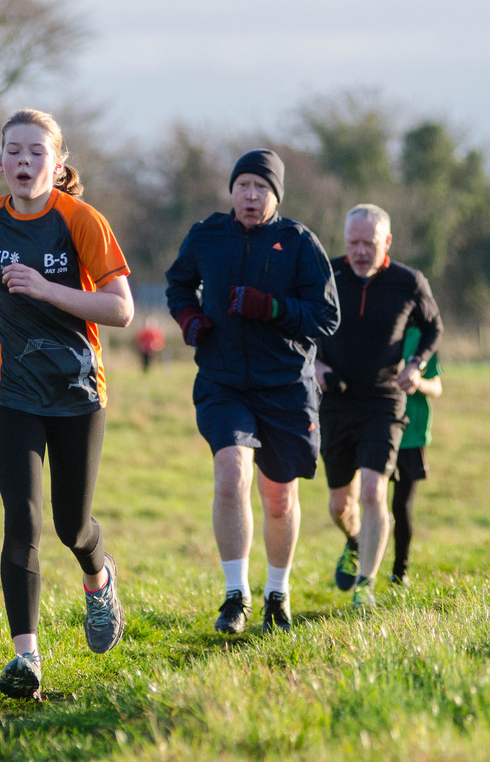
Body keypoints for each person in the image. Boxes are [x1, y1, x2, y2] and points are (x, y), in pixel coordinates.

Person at [0, 109, 134, 700]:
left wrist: (47, 288)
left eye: (37, 152)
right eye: (14, 150)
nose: (24, 161)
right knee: (21, 521)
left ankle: (99, 578)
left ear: (58, 164)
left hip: (79, 394)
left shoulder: (80, 220)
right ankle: (26, 659)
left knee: (70, 525)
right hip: (13, 395)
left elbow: (122, 309)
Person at [166, 149, 340, 634]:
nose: (250, 194)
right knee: (230, 474)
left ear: (275, 194)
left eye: (261, 187)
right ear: (231, 190)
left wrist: (273, 308)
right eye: (243, 184)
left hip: (285, 386)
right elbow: (178, 286)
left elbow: (327, 317)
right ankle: (234, 596)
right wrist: (189, 318)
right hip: (223, 382)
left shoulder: (299, 242)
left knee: (279, 498)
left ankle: (277, 593)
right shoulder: (207, 236)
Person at [314, 203, 443, 611]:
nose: (359, 252)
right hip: (334, 401)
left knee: (373, 491)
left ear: (386, 241)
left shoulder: (408, 282)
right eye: (352, 243)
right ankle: (354, 541)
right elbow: (302, 327)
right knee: (340, 504)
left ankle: (365, 588)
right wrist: (315, 364)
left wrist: (416, 364)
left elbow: (433, 327)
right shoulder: (326, 274)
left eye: (368, 243)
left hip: (385, 400)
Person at [389, 326, 442, 586]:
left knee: (400, 506)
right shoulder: (377, 325)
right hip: (376, 428)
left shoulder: (422, 339)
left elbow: (437, 388)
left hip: (411, 435)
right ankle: (358, 555)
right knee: (368, 500)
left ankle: (400, 571)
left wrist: (417, 382)